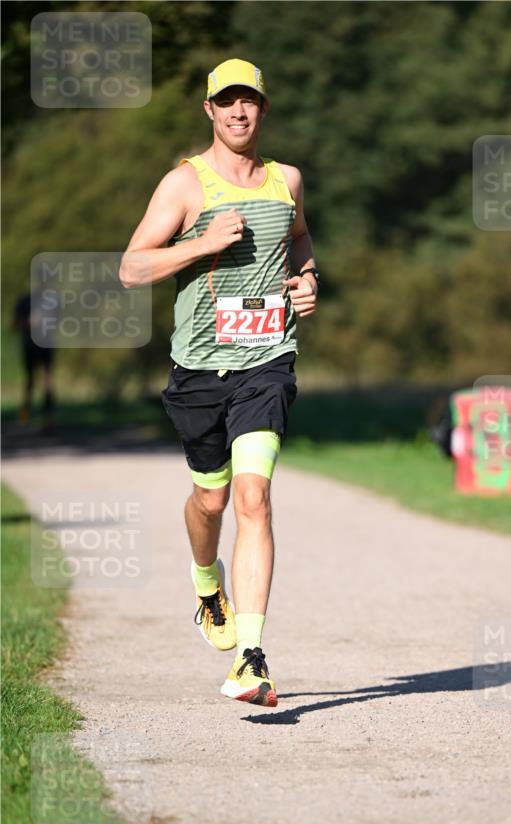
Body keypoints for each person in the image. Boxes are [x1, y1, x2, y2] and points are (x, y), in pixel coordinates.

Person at [120, 59, 319, 705]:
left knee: (252, 498)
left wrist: (307, 280)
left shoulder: (284, 180)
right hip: (199, 372)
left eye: (249, 102)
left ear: (263, 109)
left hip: (267, 361)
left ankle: (252, 659)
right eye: (226, 102)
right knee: (210, 501)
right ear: (209, 110)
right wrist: (199, 245)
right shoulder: (184, 185)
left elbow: (299, 243)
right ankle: (207, 584)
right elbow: (130, 267)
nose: (238, 112)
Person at [13, 288, 57, 430]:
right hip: (30, 345)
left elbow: (58, 322)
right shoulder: (25, 300)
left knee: (47, 382)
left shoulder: (52, 300)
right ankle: (24, 417)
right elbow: (14, 324)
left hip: (45, 344)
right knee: (30, 382)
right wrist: (28, 323)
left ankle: (48, 420)